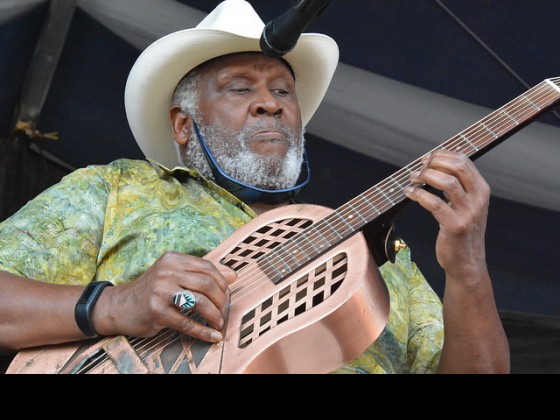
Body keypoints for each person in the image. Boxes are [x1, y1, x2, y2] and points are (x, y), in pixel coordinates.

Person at [0, 0, 509, 374]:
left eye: (283, 90)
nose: (272, 103)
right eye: (241, 88)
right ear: (183, 125)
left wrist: (468, 271)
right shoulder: (118, 189)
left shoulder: (385, 262)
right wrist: (114, 304)